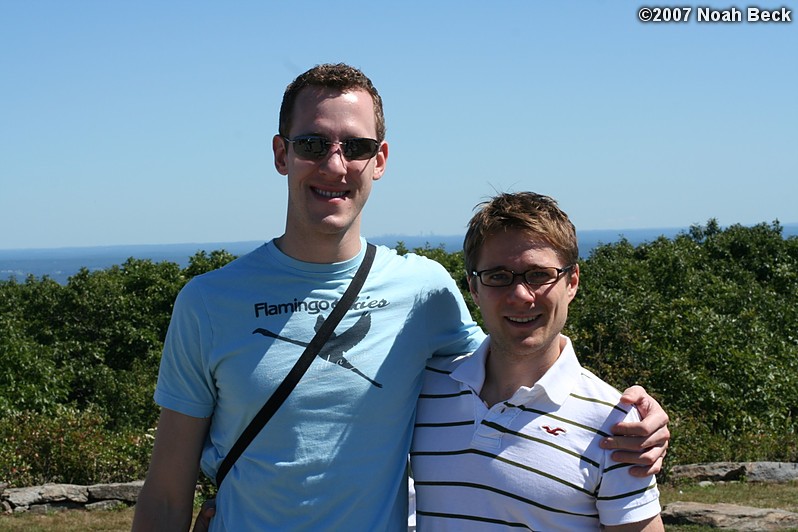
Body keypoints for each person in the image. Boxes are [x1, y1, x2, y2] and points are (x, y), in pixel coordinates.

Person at [132, 64, 669, 531]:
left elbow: (515, 352)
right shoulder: (207, 302)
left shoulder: (423, 291)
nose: (336, 165)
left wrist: (625, 414)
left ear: (380, 159)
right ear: (281, 154)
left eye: (357, 147)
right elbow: (165, 493)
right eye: (313, 144)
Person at [410, 192, 665, 530]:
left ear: (571, 282)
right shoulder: (422, 389)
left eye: (538, 275)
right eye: (498, 276)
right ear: (473, 287)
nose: (520, 295)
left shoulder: (615, 424)